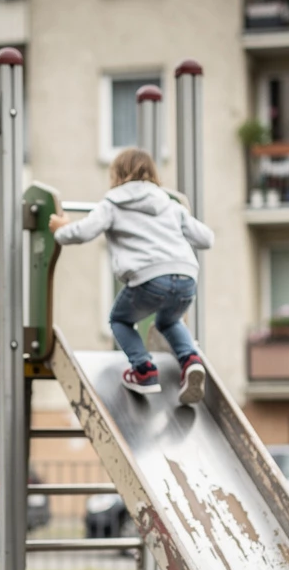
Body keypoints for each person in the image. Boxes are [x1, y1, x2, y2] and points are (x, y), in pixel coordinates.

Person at [48, 147, 214, 404]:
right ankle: (191, 360)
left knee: (120, 320)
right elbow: (206, 239)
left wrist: (61, 228)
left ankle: (143, 370)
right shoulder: (170, 205)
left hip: (149, 279)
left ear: (116, 174)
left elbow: (82, 233)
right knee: (169, 321)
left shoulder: (112, 203)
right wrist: (179, 219)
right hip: (186, 278)